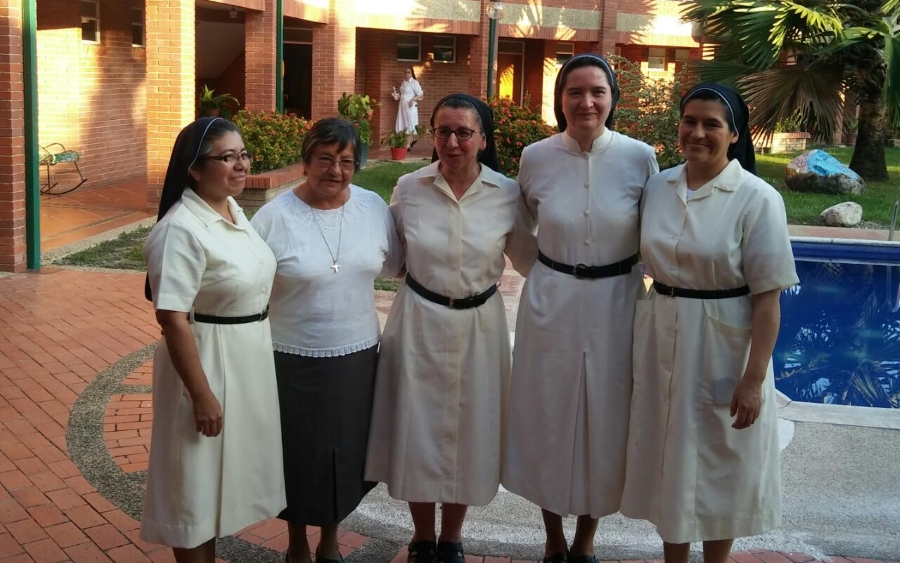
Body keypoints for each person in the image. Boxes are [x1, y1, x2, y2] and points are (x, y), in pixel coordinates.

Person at [619, 83, 798, 563]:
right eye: (689, 121)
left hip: (725, 339)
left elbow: (768, 297)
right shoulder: (659, 186)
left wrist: (755, 377)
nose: (697, 132)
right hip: (664, 329)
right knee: (669, 455)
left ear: (734, 134)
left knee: (724, 460)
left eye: (711, 124)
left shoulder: (757, 198)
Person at [501, 54, 659, 563]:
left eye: (597, 91)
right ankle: (552, 536)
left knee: (608, 420)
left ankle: (587, 540)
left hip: (619, 304)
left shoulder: (640, 158)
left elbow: (654, 231)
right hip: (552, 304)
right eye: (574, 92)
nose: (586, 102)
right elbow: (519, 229)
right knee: (547, 414)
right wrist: (549, 275)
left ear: (613, 98)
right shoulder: (535, 157)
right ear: (560, 99)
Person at [365, 94, 536, 563]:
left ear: (483, 139)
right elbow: (393, 260)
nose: (453, 142)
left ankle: (453, 537)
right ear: (432, 135)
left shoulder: (506, 193)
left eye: (464, 132)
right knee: (417, 427)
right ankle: (422, 536)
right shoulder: (408, 188)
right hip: (418, 319)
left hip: (481, 325)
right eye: (443, 131)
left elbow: (530, 260)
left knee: (471, 429)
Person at [250, 117, 404, 563]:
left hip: (357, 356)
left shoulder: (374, 207)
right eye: (325, 158)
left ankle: (330, 541)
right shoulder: (274, 217)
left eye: (346, 161)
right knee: (296, 453)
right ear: (306, 160)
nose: (334, 170)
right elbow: (250, 286)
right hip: (290, 356)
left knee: (344, 452)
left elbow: (394, 264)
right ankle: (297, 543)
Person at [140, 117, 286, 563]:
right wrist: (201, 395)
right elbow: (171, 317)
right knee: (194, 486)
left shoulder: (233, 211)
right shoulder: (181, 229)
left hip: (245, 357)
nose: (241, 165)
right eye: (227, 157)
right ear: (195, 169)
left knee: (222, 481)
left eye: (243, 154)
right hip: (207, 361)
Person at [395, 66, 424, 150]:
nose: (407, 74)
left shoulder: (414, 82)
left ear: (412, 73)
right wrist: (396, 95)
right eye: (406, 72)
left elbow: (420, 94)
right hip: (402, 106)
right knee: (403, 122)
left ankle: (408, 145)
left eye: (409, 72)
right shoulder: (404, 82)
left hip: (410, 106)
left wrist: (413, 99)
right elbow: (403, 94)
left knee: (409, 123)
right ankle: (411, 140)